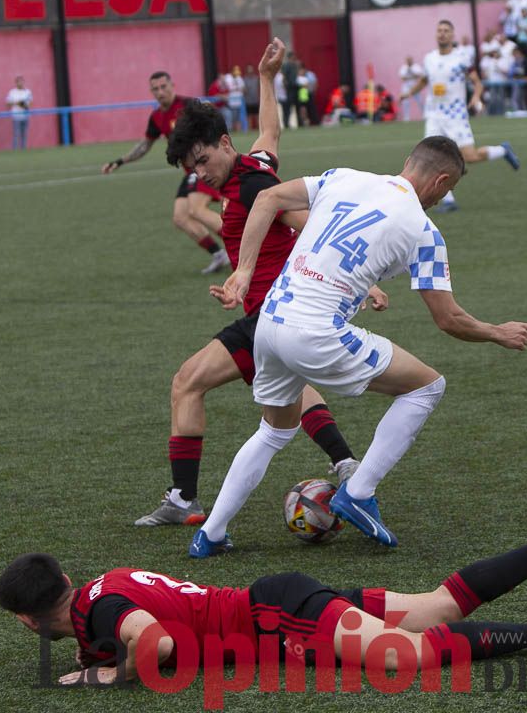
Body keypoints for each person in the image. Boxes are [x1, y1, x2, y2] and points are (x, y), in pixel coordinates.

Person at [194, 136, 527, 555]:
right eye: (448, 190)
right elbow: (449, 319)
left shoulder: (344, 177)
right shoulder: (424, 230)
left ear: (408, 161)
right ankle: (358, 492)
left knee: (273, 430)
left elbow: (266, 198)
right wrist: (497, 332)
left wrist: (243, 272)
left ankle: (210, 533)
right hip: (316, 332)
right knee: (427, 387)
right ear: (441, 181)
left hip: (269, 322)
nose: (443, 198)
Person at [135, 38, 377, 527]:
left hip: (272, 310)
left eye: (202, 161)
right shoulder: (253, 166)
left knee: (186, 382)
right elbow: (270, 129)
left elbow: (308, 222)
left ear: (225, 144)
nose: (199, 175)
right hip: (278, 313)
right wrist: (266, 79)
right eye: (191, 170)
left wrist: (361, 279)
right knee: (286, 392)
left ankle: (185, 499)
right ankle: (347, 463)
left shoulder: (251, 187)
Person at [0, 512, 527, 687]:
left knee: (401, 659)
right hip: (282, 600)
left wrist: (112, 675)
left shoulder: (95, 614)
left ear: (29, 619)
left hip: (279, 615)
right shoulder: (102, 587)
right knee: (439, 607)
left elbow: (157, 641)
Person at [101, 71, 228, 275]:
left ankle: (242, 245)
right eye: (156, 89)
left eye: (163, 87)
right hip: (191, 171)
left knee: (196, 210)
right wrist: (120, 161)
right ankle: (219, 254)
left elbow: (214, 121)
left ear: (172, 86)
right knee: (180, 217)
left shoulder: (188, 106)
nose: (160, 92)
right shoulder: (157, 116)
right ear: (151, 92)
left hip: (206, 165)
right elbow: (145, 145)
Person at [406, 21, 520, 212]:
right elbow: (425, 80)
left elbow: (477, 83)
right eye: (439, 31)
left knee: (470, 157)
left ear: (453, 35)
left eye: (446, 31)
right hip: (434, 115)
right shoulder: (429, 59)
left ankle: (502, 150)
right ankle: (448, 201)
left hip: (456, 115)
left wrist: (476, 97)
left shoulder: (462, 58)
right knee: (431, 157)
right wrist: (408, 93)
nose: (442, 34)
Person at [4, 76, 33, 150]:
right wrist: (17, 103)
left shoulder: (27, 92)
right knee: (16, 134)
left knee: (24, 135)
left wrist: (24, 104)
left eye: (21, 81)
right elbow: (8, 103)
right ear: (16, 83)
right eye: (18, 82)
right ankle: (15, 150)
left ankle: (23, 150)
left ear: (23, 82)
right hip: (16, 116)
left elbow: (30, 104)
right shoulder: (12, 92)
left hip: (25, 115)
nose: (20, 83)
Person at [397, 56, 425, 121]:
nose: (409, 61)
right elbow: (403, 78)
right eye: (407, 60)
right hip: (406, 86)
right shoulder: (403, 68)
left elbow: (420, 75)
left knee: (420, 101)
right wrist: (413, 76)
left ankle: (424, 115)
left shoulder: (416, 67)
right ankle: (407, 117)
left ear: (412, 60)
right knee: (405, 102)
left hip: (415, 86)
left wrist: (411, 74)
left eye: (410, 60)